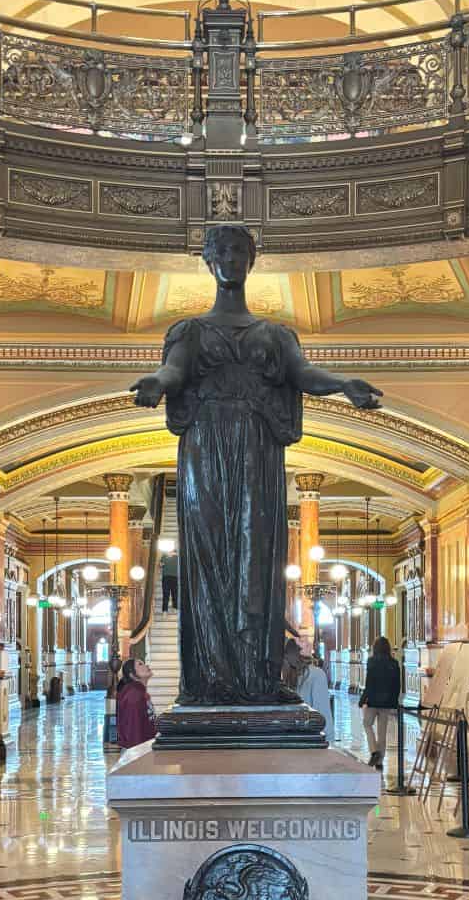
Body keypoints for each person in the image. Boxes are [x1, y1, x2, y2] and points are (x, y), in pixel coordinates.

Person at [131, 224, 381, 705]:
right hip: (207, 448)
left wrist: (344, 383)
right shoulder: (190, 331)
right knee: (210, 556)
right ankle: (209, 680)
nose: (230, 258)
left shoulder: (275, 334)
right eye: (221, 250)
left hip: (259, 450)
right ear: (208, 261)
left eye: (239, 251)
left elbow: (303, 374)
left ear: (252, 260)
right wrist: (157, 382)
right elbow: (175, 370)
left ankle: (259, 679)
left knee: (257, 558)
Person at [359, 636, 400, 770]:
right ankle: (380, 761)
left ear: (375, 648)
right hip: (387, 702)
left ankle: (374, 751)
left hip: (373, 700)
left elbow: (369, 683)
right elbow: (397, 685)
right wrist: (394, 702)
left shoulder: (371, 662)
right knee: (382, 732)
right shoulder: (394, 663)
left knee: (367, 724)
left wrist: (363, 699)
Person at [283, 637, 334, 743]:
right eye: (301, 641)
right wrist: (330, 742)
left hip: (294, 738)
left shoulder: (288, 676)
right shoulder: (317, 674)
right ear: (298, 651)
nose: (306, 640)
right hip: (312, 740)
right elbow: (323, 716)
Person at [116, 657, 157, 749]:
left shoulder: (141, 693)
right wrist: (138, 758)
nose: (147, 666)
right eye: (140, 664)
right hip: (137, 752)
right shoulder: (134, 696)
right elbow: (133, 730)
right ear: (132, 675)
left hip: (144, 748)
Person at [160, 549, 179, 613]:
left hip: (175, 577)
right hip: (166, 577)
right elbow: (160, 565)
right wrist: (165, 558)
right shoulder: (164, 556)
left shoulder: (178, 557)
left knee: (175, 593)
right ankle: (165, 610)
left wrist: (176, 555)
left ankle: (175, 607)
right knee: (166, 594)